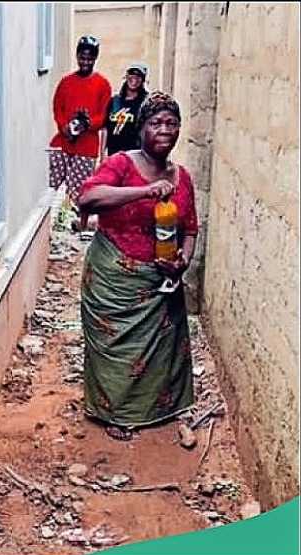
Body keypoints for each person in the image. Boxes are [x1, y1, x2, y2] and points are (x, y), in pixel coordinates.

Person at [76, 92, 198, 441]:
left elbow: (190, 229)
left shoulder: (182, 177)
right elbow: (88, 198)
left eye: (172, 123)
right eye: (156, 123)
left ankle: (157, 410)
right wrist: (143, 192)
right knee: (117, 352)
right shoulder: (121, 164)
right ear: (141, 128)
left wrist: (182, 262)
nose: (165, 130)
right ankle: (114, 413)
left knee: (160, 350)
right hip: (115, 277)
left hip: (161, 280)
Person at [48, 35, 112, 233]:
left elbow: (104, 116)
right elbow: (57, 107)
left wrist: (87, 124)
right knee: (50, 185)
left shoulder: (103, 84)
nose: (86, 62)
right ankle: (48, 226)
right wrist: (63, 126)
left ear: (95, 59)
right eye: (82, 57)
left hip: (86, 146)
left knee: (79, 191)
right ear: (77, 56)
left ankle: (75, 229)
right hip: (63, 142)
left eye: (90, 58)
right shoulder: (66, 82)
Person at [101, 63, 149, 161]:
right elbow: (105, 129)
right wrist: (102, 154)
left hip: (135, 156)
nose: (134, 78)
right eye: (131, 74)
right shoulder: (114, 101)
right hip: (114, 155)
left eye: (138, 76)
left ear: (143, 80)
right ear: (126, 77)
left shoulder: (146, 102)